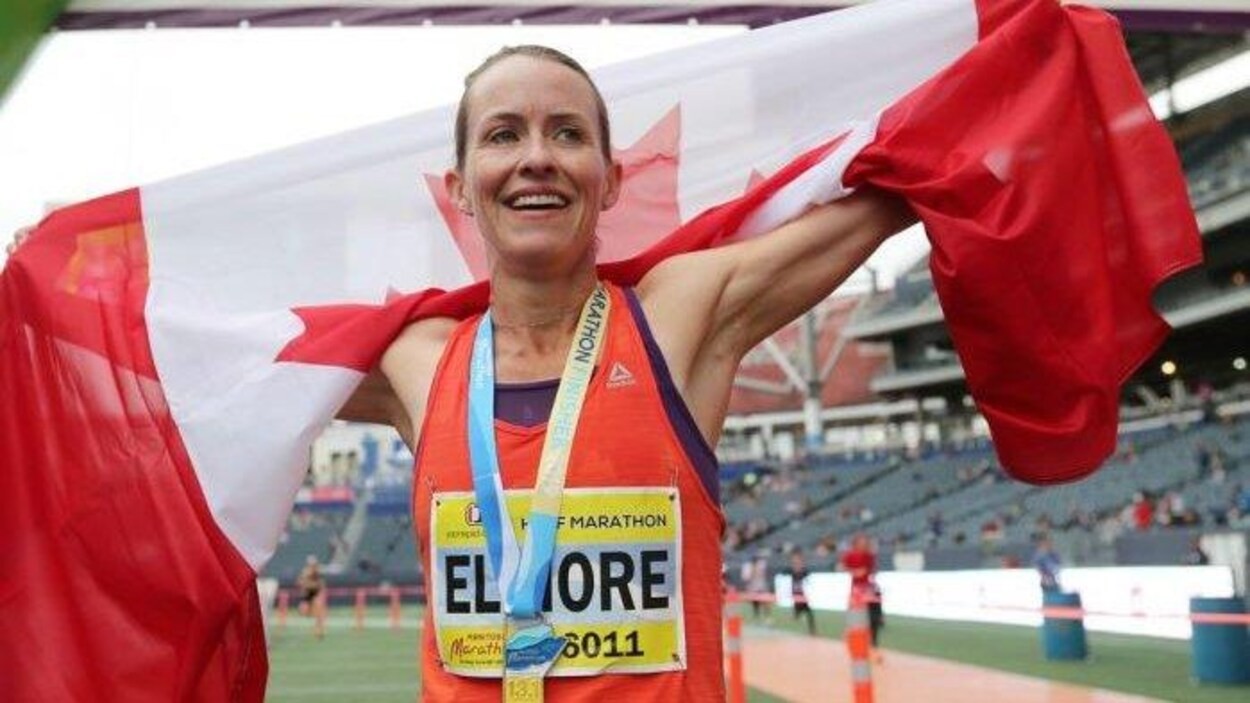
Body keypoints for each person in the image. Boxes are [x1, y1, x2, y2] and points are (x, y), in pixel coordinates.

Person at [9, 45, 911, 701]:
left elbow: (895, 182)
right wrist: (63, 286)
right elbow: (215, 355)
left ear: (610, 178)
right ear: (460, 185)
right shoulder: (420, 361)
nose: (535, 157)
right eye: (503, 134)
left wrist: (978, 75)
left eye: (567, 133)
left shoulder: (678, 321)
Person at [841, 533, 883, 663]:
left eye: (865, 542)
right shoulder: (849, 555)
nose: (863, 544)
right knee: (857, 620)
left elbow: (872, 570)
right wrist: (854, 572)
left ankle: (873, 646)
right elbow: (844, 567)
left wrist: (869, 575)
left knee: (873, 618)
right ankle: (858, 646)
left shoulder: (869, 555)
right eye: (861, 542)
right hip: (857, 590)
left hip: (868, 588)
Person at [295, 554, 327, 639]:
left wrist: (320, 590)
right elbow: (300, 582)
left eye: (314, 564)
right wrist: (306, 584)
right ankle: (316, 627)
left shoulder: (318, 572)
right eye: (311, 564)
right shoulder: (305, 572)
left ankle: (318, 631)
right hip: (307, 593)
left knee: (319, 612)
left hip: (315, 593)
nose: (313, 566)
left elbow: (321, 584)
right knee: (304, 612)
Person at [787, 550, 817, 635]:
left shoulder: (804, 571)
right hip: (796, 595)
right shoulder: (791, 571)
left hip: (802, 595)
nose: (796, 562)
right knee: (800, 612)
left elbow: (808, 580)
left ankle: (812, 630)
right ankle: (796, 617)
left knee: (808, 612)